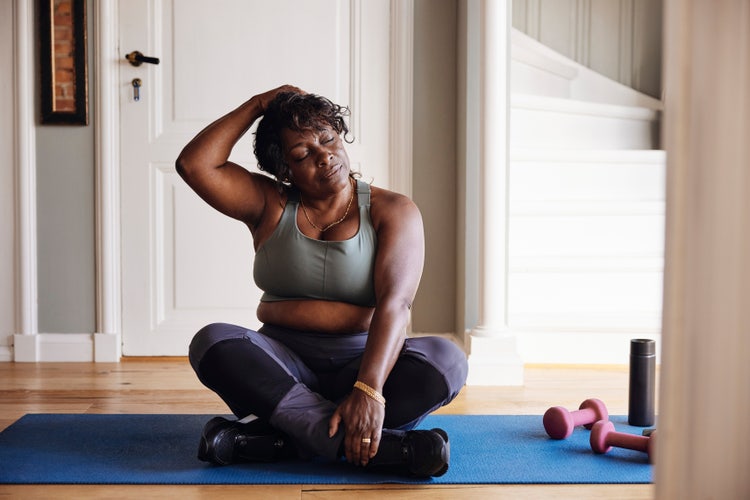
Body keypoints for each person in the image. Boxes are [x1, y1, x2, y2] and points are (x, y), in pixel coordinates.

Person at [176, 85, 468, 478]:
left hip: (369, 363)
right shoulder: (269, 203)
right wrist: (260, 104)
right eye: (302, 154)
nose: (324, 155)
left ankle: (278, 440)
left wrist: (368, 390)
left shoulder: (393, 210)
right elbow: (195, 165)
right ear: (284, 169)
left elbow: (395, 304)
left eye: (328, 138)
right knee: (212, 342)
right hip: (284, 367)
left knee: (448, 360)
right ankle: (384, 449)